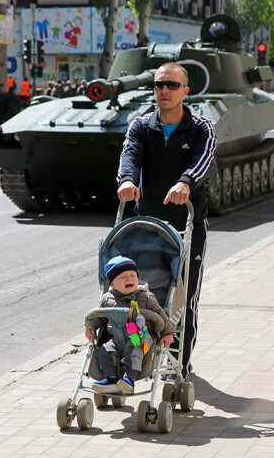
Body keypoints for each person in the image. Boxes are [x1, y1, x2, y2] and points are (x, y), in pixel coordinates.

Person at [117, 62, 217, 380]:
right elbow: (130, 153)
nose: (164, 90)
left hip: (186, 227)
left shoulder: (200, 128)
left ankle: (176, 368)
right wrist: (127, 180)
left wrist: (186, 182)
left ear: (185, 91)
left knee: (181, 301)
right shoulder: (141, 126)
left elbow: (204, 157)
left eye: (172, 85)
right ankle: (134, 358)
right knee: (134, 298)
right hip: (145, 229)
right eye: (160, 84)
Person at [85, 256, 175, 394]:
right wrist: (90, 327)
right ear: (113, 284)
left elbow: (161, 315)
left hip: (141, 338)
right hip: (116, 338)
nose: (129, 279)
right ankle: (110, 378)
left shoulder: (146, 297)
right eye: (123, 277)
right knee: (105, 350)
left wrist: (168, 333)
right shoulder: (108, 299)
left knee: (133, 350)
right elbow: (99, 318)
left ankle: (128, 380)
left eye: (133, 275)